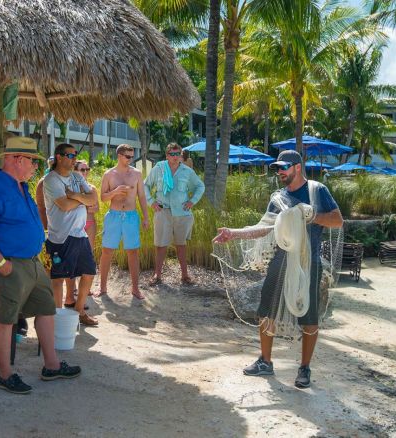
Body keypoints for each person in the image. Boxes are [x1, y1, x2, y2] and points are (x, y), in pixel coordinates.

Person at [213, 150, 343, 389]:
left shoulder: (317, 191)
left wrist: (313, 215)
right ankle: (265, 361)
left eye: (283, 167)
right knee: (266, 311)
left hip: (309, 263)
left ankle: (304, 369)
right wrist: (233, 233)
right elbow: (263, 229)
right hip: (279, 261)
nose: (280, 172)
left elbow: (337, 220)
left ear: (297, 167)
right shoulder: (278, 198)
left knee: (309, 317)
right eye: (277, 168)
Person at [0, 136, 81, 395]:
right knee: (7, 320)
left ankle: (51, 366)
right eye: (32, 160)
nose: (35, 166)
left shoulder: (21, 185)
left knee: (46, 310)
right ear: (17, 159)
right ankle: (5, 375)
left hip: (31, 263)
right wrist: (0, 263)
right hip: (11, 265)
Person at [43, 144, 99, 326]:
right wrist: (82, 200)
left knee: (89, 272)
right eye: (70, 155)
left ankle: (79, 311)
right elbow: (64, 205)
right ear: (59, 157)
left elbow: (93, 199)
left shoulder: (76, 176)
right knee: (58, 278)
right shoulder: (51, 180)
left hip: (79, 234)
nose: (75, 158)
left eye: (76, 155)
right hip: (60, 237)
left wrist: (74, 196)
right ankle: (57, 318)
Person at [144, 143, 205, 286]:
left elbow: (200, 186)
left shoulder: (187, 171)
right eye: (172, 154)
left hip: (182, 213)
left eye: (178, 154)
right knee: (160, 245)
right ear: (166, 155)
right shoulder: (159, 168)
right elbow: (145, 185)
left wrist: (192, 201)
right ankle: (157, 275)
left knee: (181, 244)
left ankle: (184, 276)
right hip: (162, 211)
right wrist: (151, 202)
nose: (175, 157)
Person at [95, 144, 149, 300]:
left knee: (133, 252)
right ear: (119, 156)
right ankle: (103, 287)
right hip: (114, 216)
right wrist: (115, 192)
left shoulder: (137, 174)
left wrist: (146, 217)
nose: (130, 159)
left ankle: (135, 289)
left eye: (132, 156)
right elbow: (103, 198)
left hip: (131, 216)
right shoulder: (109, 174)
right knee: (107, 251)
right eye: (128, 156)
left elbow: (142, 197)